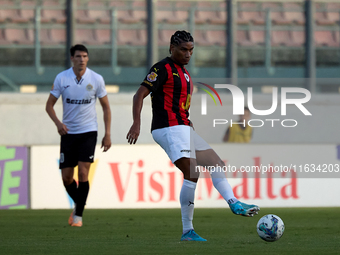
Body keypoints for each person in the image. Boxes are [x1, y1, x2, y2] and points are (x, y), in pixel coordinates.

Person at [126, 31, 260, 241]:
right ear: (172, 48)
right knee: (192, 171)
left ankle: (234, 203)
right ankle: (188, 231)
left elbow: (182, 108)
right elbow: (140, 94)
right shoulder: (162, 68)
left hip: (184, 127)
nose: (188, 54)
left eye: (191, 50)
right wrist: (136, 123)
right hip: (168, 128)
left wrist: (190, 127)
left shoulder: (185, 73)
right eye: (183, 50)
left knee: (216, 163)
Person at [46, 44, 111, 227]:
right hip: (68, 133)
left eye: (84, 56)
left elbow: (106, 107)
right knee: (67, 177)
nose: (82, 59)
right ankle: (80, 203)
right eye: (78, 56)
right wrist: (58, 124)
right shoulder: (62, 78)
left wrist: (108, 134)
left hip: (88, 132)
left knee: (83, 172)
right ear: (72, 59)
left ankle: (78, 216)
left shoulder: (96, 79)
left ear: (87, 59)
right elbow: (49, 106)